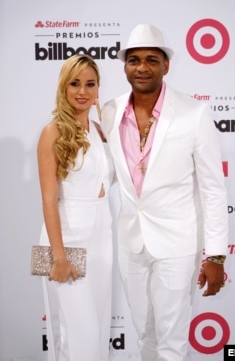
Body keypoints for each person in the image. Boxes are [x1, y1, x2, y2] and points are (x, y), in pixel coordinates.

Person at [101, 24, 228, 361]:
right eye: (134, 60)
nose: (142, 67)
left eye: (151, 60)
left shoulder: (194, 113)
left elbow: (214, 189)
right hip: (131, 243)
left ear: (165, 66)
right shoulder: (109, 112)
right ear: (125, 66)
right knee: (145, 334)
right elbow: (103, 176)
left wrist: (215, 255)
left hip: (177, 244)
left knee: (171, 341)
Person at [37, 54, 115, 361]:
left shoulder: (101, 131)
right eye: (75, 83)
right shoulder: (52, 132)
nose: (82, 91)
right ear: (63, 86)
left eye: (90, 84)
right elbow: (47, 199)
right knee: (81, 337)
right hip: (65, 241)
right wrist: (58, 256)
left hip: (101, 241)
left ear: (98, 89)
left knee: (95, 335)